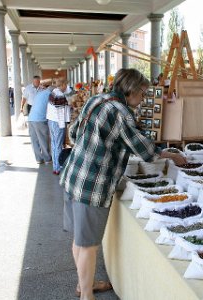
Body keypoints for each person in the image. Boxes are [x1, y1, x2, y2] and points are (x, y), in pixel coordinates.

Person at [59, 68, 186, 300]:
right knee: (88, 245)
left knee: (79, 239)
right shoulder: (121, 112)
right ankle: (86, 295)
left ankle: (82, 284)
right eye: (143, 93)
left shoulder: (97, 99)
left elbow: (74, 132)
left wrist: (94, 148)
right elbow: (144, 149)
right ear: (132, 90)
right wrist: (171, 155)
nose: (144, 98)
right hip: (93, 187)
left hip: (73, 176)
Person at [46, 78, 72, 175]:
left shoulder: (54, 92)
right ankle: (58, 168)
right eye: (66, 84)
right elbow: (61, 112)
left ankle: (55, 166)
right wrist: (65, 124)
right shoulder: (59, 94)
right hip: (58, 122)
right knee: (58, 145)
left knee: (54, 144)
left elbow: (69, 91)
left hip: (51, 120)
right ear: (63, 84)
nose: (66, 86)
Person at [27, 82, 52, 164]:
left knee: (35, 140)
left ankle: (38, 159)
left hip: (31, 118)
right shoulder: (50, 93)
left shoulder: (39, 94)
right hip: (40, 119)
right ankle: (47, 158)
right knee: (43, 139)